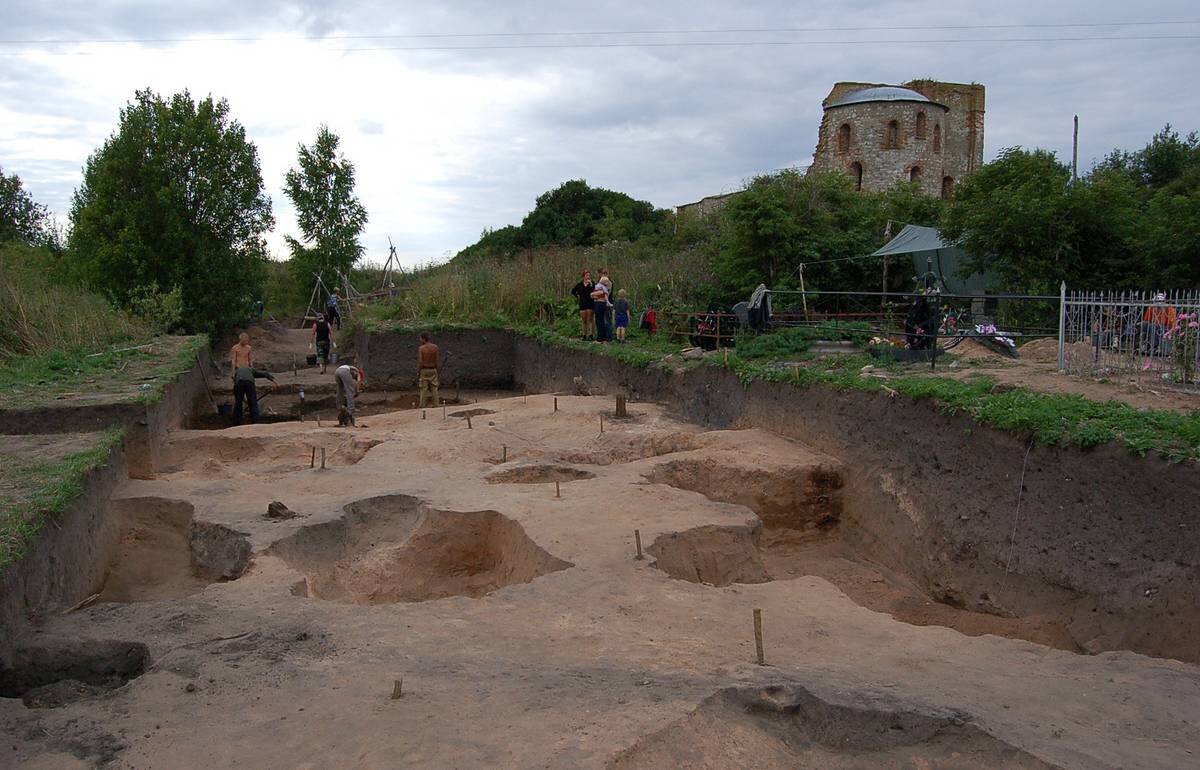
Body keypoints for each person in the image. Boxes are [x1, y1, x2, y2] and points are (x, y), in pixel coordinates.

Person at [230, 332, 277, 424]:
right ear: (241, 340)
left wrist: (251, 369)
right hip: (240, 372)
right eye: (245, 340)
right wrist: (233, 372)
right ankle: (255, 421)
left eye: (247, 340)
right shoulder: (235, 348)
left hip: (242, 375)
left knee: (238, 400)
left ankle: (237, 422)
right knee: (252, 402)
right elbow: (233, 361)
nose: (247, 342)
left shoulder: (249, 348)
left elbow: (250, 360)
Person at [417, 332, 441, 408]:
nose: (420, 340)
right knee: (434, 388)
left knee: (424, 389)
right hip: (433, 369)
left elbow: (420, 361)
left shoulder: (421, 348)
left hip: (424, 370)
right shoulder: (435, 347)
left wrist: (418, 371)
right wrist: (437, 371)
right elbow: (437, 361)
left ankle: (422, 405)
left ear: (423, 339)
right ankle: (436, 404)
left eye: (420, 338)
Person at [570, 270, 596, 340]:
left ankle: (591, 335)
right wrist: (577, 296)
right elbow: (573, 291)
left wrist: (591, 285)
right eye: (587, 275)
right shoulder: (580, 284)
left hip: (590, 303)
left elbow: (595, 291)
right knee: (584, 320)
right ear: (583, 276)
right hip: (582, 303)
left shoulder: (592, 283)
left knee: (590, 319)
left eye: (589, 275)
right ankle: (584, 335)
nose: (588, 277)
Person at [591, 273, 612, 342]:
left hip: (600, 304)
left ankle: (601, 338)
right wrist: (594, 295)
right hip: (598, 303)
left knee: (600, 321)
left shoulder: (605, 286)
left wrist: (593, 294)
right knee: (599, 321)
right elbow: (593, 295)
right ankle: (602, 337)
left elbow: (601, 293)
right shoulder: (599, 286)